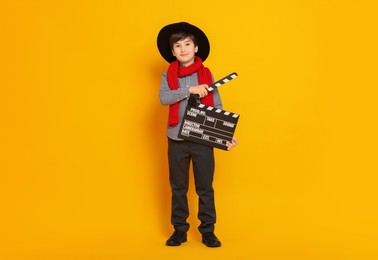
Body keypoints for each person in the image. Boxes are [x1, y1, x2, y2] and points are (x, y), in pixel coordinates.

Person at [157, 22, 238, 247]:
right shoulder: (168, 75)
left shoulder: (207, 74)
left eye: (187, 44)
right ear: (172, 51)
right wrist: (189, 90)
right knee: (178, 187)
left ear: (195, 48)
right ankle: (179, 230)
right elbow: (164, 98)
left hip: (202, 139)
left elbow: (218, 105)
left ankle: (208, 231)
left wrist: (225, 135)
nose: (183, 49)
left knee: (205, 187)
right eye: (178, 46)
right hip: (176, 139)